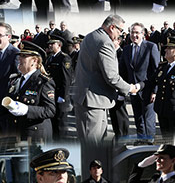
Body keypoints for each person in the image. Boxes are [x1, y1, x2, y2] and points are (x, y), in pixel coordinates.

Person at [73, 14, 139, 143]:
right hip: (93, 102)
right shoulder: (105, 42)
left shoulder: (91, 36)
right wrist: (130, 88)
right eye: (120, 31)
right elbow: (112, 77)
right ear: (112, 27)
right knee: (92, 144)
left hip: (86, 97)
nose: (120, 34)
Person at [0, 41, 56, 141]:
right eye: (20, 55)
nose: (19, 59)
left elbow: (50, 110)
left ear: (34, 61)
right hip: (16, 133)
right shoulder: (15, 79)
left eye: (24, 56)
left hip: (35, 136)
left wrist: (27, 110)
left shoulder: (43, 82)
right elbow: (9, 100)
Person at [120, 22, 160, 138]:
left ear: (143, 34)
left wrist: (155, 91)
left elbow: (156, 71)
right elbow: (123, 71)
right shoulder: (126, 49)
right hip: (133, 90)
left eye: (137, 32)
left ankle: (150, 142)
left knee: (148, 119)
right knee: (138, 118)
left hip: (147, 89)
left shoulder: (151, 47)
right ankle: (141, 140)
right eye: (132, 32)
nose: (134, 35)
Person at [45, 35, 72, 138]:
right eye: (49, 44)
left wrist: (63, 96)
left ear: (59, 45)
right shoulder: (50, 58)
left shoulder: (64, 58)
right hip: (51, 93)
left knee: (61, 123)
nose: (50, 46)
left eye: (53, 44)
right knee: (53, 122)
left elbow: (67, 79)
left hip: (60, 94)